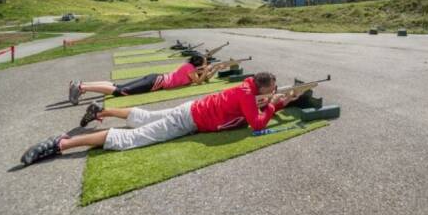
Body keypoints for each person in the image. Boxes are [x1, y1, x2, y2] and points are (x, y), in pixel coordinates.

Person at [21, 72, 297, 166]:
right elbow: (257, 123)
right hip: (189, 121)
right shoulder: (251, 96)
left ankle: (101, 112)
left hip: (191, 108)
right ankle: (62, 143)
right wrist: (276, 105)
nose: (272, 92)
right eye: (271, 89)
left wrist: (272, 101)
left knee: (145, 118)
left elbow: (248, 107)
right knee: (131, 138)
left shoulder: (246, 86)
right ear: (262, 88)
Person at [67, 55, 230, 105]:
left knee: (118, 86)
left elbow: (203, 78)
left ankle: (82, 85)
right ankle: (81, 87)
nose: (205, 66)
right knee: (119, 91)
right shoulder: (190, 70)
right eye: (204, 64)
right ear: (198, 65)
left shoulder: (189, 67)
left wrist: (214, 69)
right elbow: (199, 81)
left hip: (155, 78)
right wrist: (210, 69)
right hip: (155, 82)